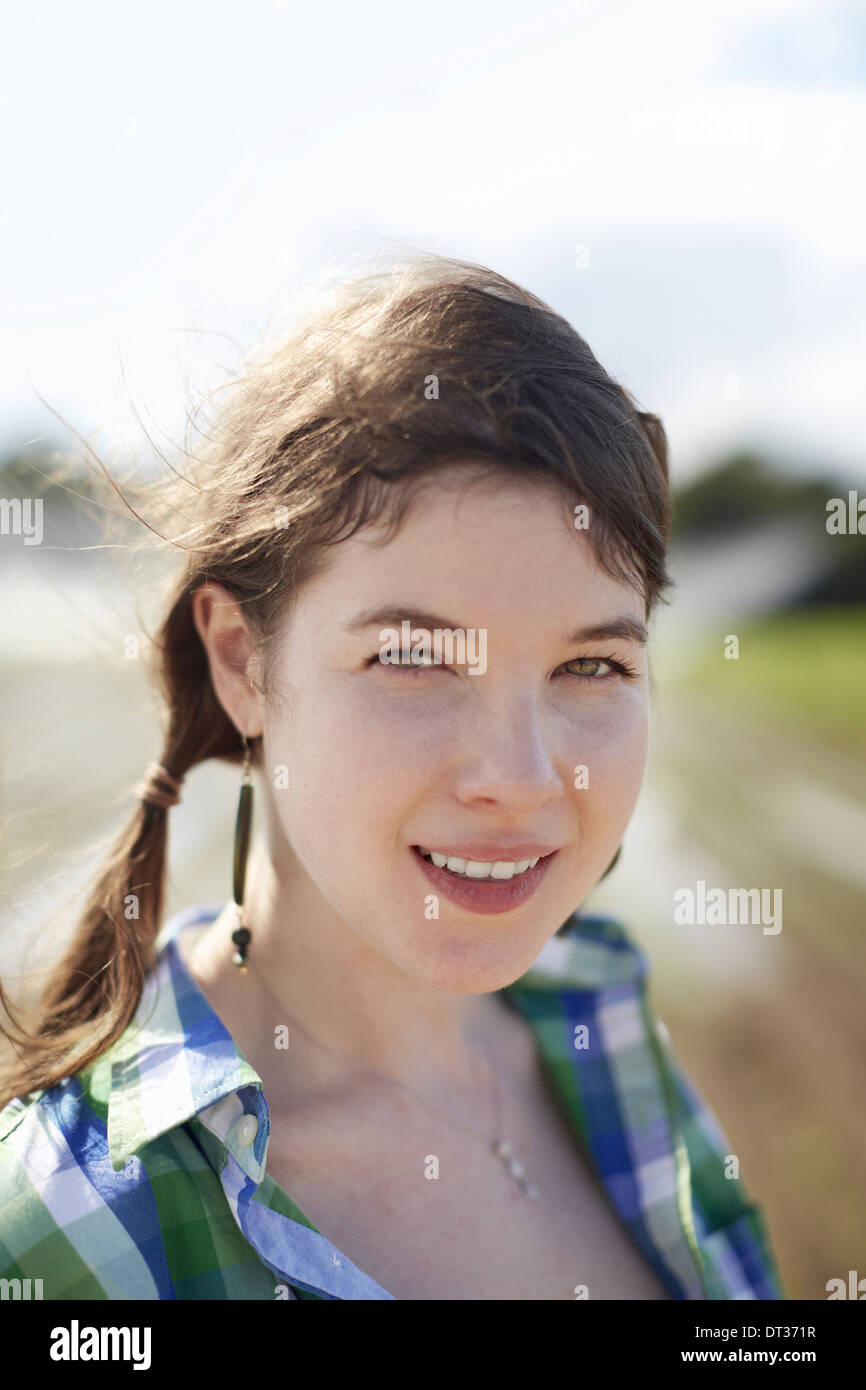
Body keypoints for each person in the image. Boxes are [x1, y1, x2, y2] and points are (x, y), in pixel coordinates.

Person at [0, 255, 784, 1300]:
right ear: (241, 660)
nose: (518, 776)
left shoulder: (607, 1032)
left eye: (590, 664)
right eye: (413, 658)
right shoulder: (67, 1229)